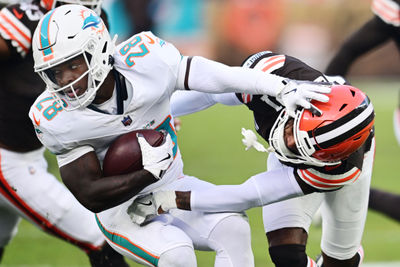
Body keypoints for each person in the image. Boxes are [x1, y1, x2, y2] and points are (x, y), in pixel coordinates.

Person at [28, 5, 332, 266]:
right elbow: (90, 195)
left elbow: (215, 76)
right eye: (55, 72)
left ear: (98, 50)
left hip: (172, 185)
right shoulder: (55, 117)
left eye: (73, 64)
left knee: (233, 228)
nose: (66, 80)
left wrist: (277, 87)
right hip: (120, 212)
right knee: (177, 254)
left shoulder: (146, 59)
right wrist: (146, 174)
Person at [131, 51, 375, 267]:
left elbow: (248, 194)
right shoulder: (274, 77)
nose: (287, 144)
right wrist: (158, 116)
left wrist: (168, 199)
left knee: (339, 260)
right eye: (291, 130)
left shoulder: (339, 168)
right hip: (304, 121)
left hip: (344, 163)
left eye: (299, 148)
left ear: (325, 159)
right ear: (299, 109)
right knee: (285, 254)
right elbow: (211, 94)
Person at [0, 0, 129, 265]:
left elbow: (105, 82)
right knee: (100, 238)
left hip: (29, 152)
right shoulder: (26, 18)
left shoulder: (95, 17)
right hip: (8, 158)